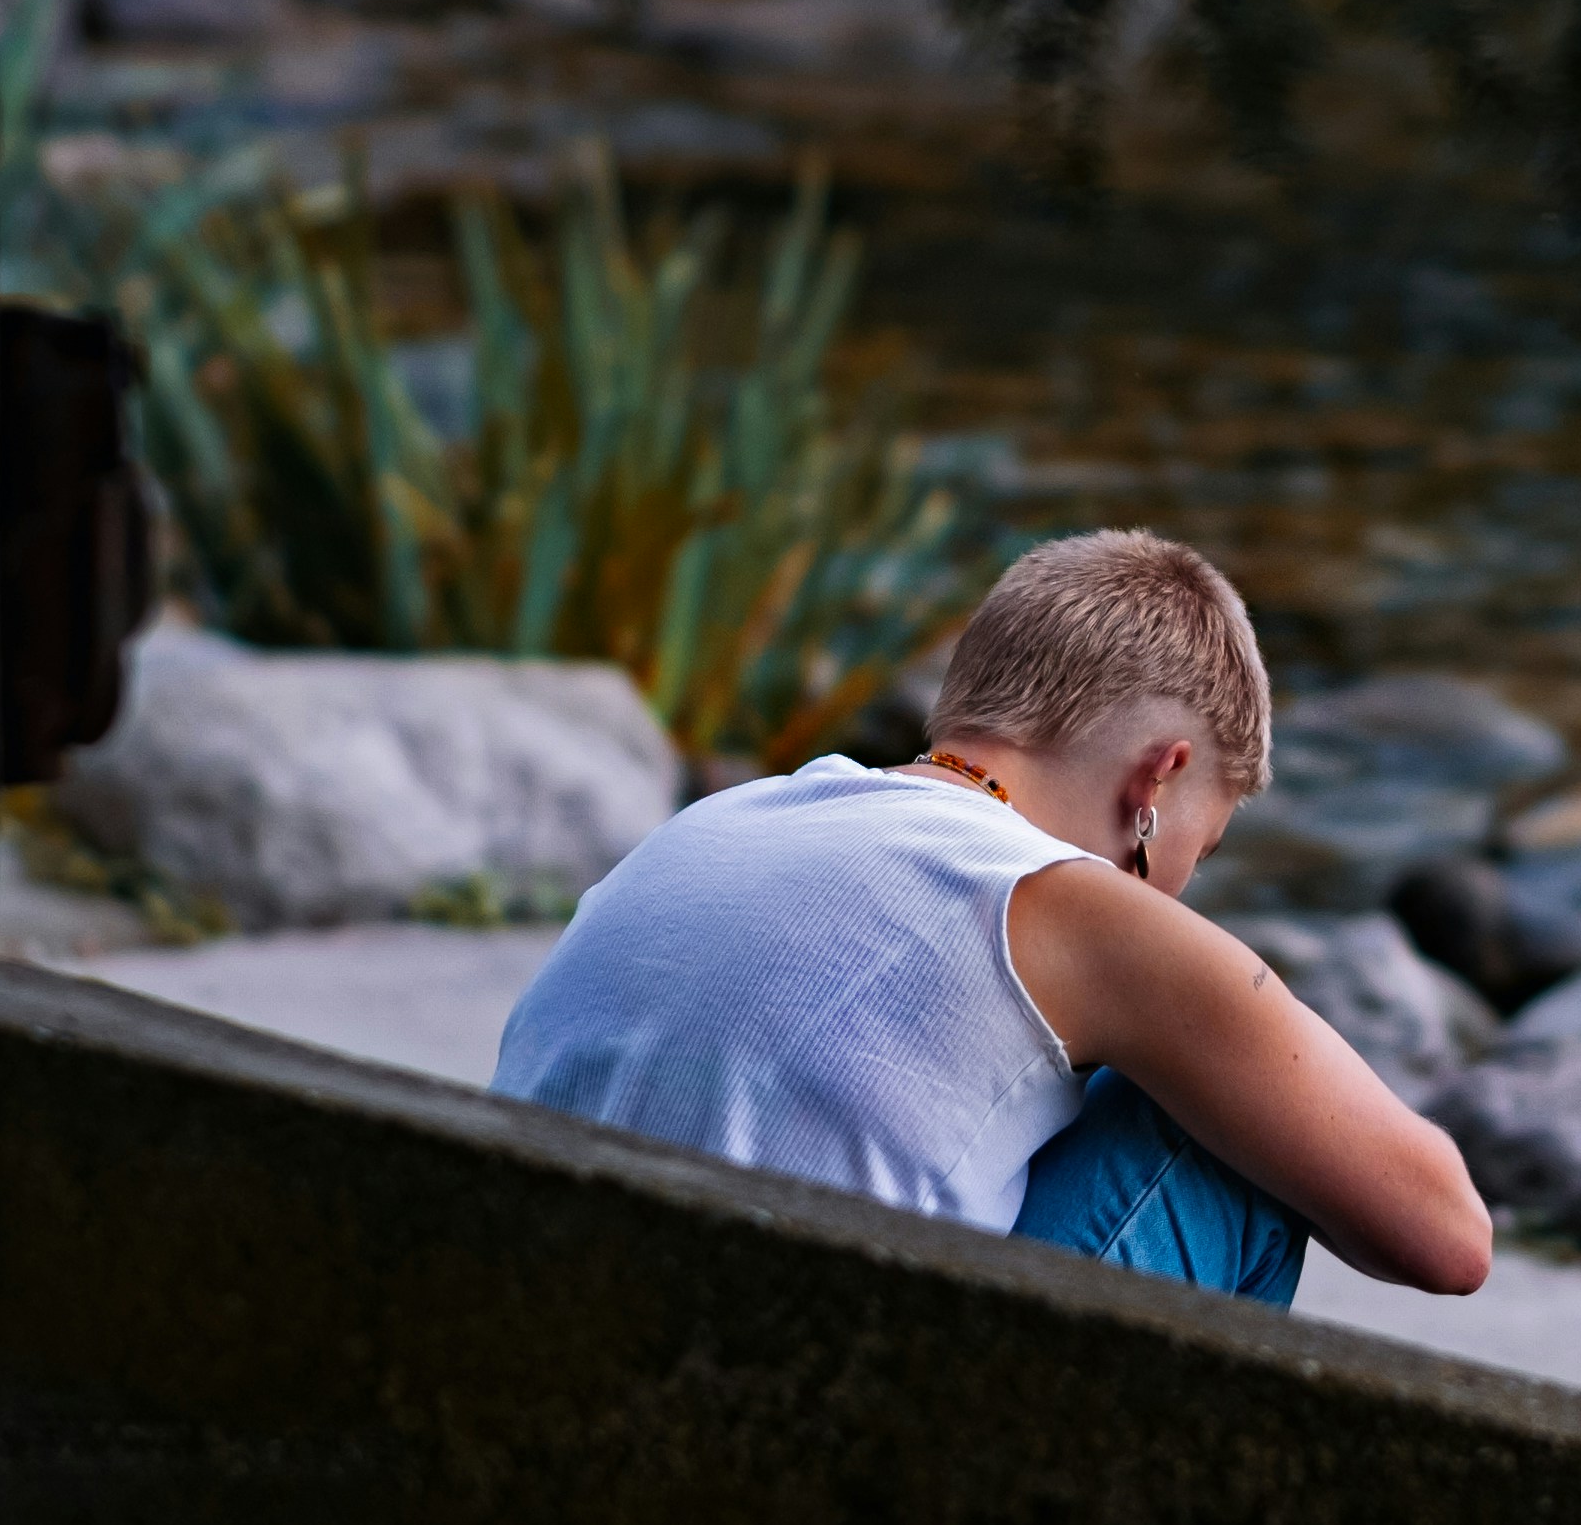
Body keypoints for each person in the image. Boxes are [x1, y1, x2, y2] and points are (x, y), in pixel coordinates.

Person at [491, 529, 1493, 1303]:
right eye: (1195, 849)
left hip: (535, 1362)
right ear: (1160, 774)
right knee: (1220, 1134)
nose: (1176, 889)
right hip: (789, 1450)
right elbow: (1446, 1232)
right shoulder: (1059, 899)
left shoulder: (718, 822)